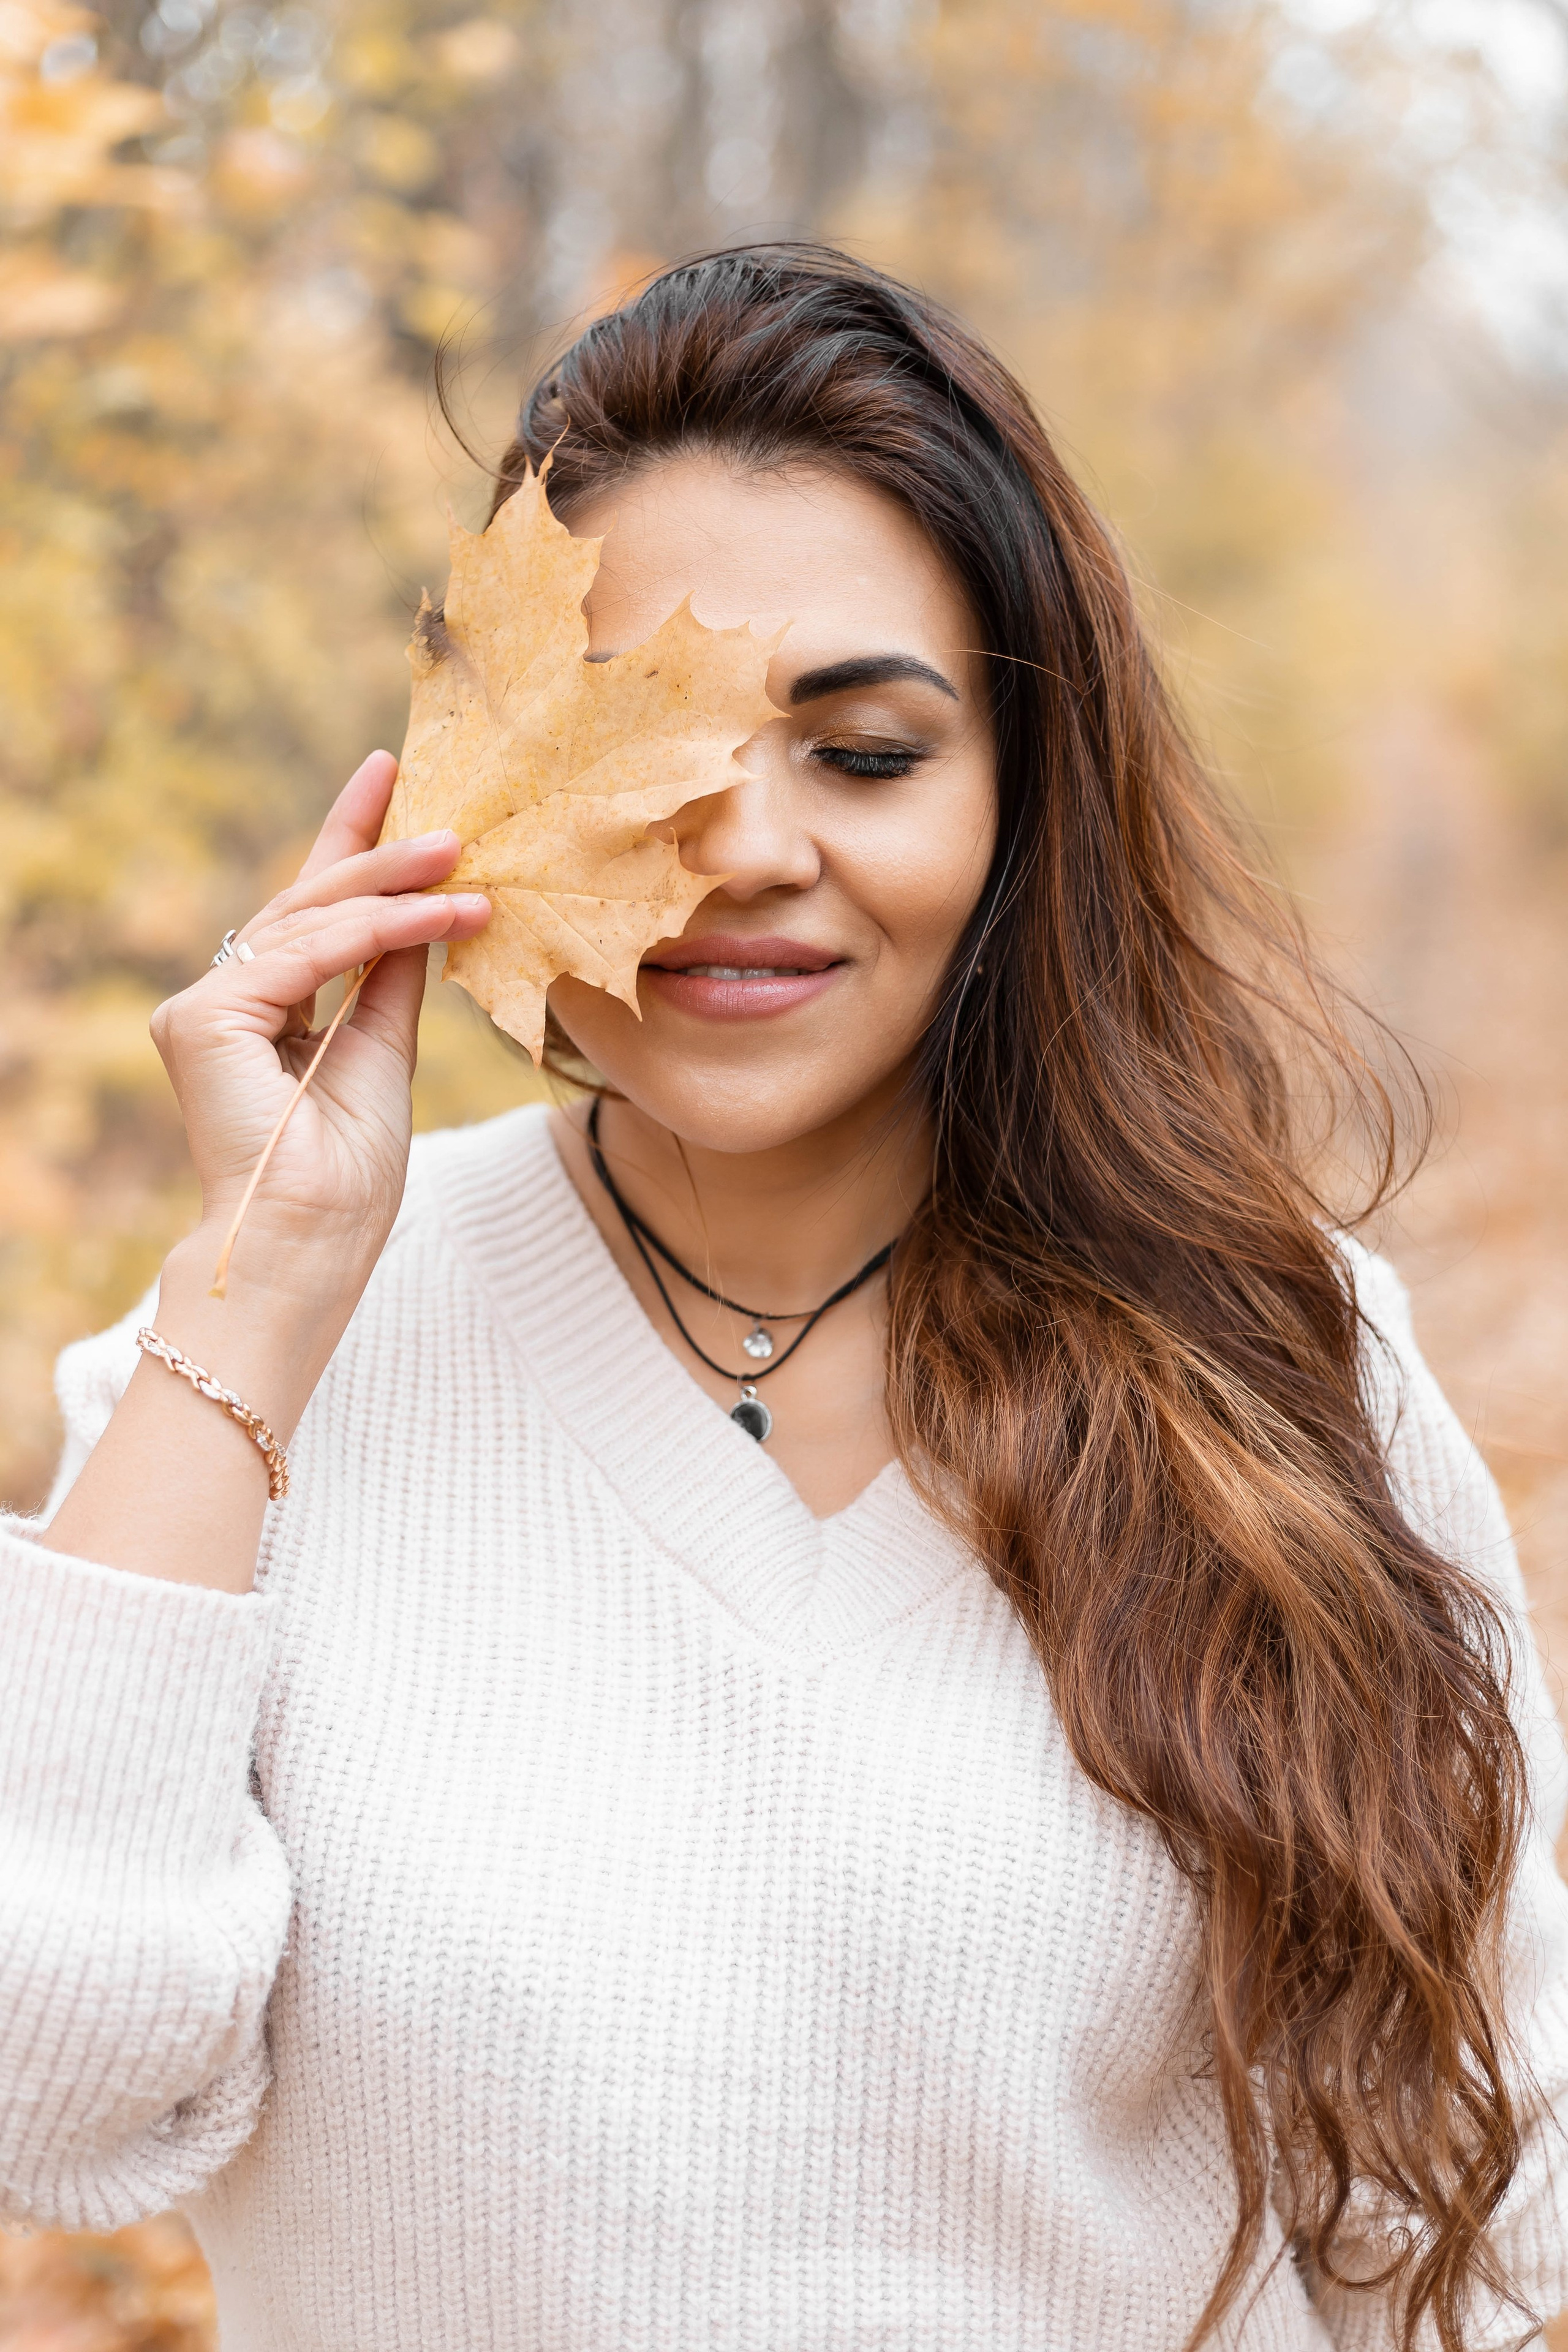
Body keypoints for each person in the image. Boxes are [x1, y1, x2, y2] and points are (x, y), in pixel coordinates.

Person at [2, 244, 1565, 2352]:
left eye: (865, 751)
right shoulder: (244, 1371)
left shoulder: (1279, 1363)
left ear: (1021, 801)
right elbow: (51, 2108)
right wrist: (266, 1285)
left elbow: (1483, 2187)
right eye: (640, 753)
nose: (738, 845)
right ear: (476, 789)